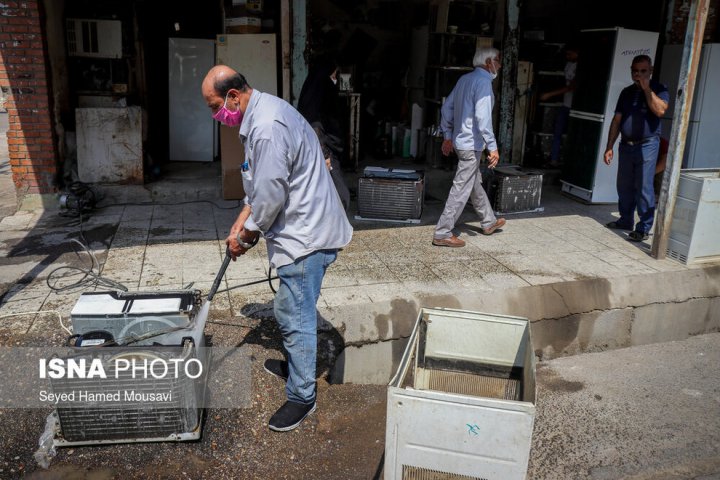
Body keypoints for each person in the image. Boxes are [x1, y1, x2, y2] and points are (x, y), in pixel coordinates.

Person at [201, 65, 353, 432]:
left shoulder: (267, 126)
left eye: (215, 105)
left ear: (233, 96)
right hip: (305, 226)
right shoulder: (261, 112)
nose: (215, 114)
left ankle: (302, 396)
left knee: (293, 313)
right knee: (292, 308)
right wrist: (243, 216)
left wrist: (247, 235)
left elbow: (270, 195)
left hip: (306, 236)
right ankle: (298, 365)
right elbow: (260, 180)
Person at [432, 46, 506, 248]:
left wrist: (447, 135)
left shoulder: (464, 79)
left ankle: (488, 221)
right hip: (470, 144)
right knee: (461, 189)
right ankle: (442, 232)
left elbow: (447, 107)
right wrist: (493, 146)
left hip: (460, 142)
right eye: (498, 60)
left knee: (472, 182)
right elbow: (483, 120)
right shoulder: (483, 83)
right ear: (488, 62)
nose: (499, 64)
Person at [603, 55, 669, 242]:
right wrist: (609, 146)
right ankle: (625, 220)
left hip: (647, 144)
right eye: (635, 71)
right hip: (626, 145)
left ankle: (644, 227)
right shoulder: (626, 92)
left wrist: (646, 88)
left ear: (651, 70)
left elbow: (660, 110)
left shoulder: (660, 89)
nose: (638, 74)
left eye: (643, 71)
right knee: (623, 186)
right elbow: (617, 120)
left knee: (643, 186)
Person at [297, 56, 351, 211]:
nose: (334, 80)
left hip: (326, 146)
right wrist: (325, 154)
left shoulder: (313, 95)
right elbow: (315, 125)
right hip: (324, 148)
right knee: (340, 194)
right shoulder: (315, 102)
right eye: (333, 76)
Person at [539, 45, 579, 168]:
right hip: (566, 104)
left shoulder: (580, 67)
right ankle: (554, 160)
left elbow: (571, 87)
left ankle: (570, 163)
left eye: (570, 54)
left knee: (572, 135)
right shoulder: (568, 64)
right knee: (557, 132)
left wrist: (550, 94)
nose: (568, 57)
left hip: (575, 107)